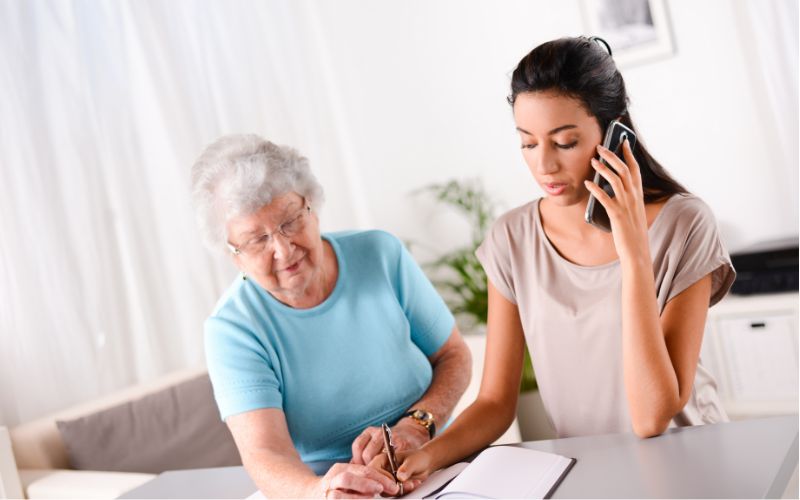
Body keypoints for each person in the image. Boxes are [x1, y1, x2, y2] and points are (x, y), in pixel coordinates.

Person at [372, 36, 736, 486]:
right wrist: (427, 457)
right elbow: (494, 403)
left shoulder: (685, 223)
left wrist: (634, 253)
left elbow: (652, 416)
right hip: (589, 474)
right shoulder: (512, 238)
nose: (543, 165)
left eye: (564, 142)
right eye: (528, 143)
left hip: (691, 468)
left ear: (614, 132)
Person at [190, 134, 471, 498]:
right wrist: (321, 491)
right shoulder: (232, 329)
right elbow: (264, 453)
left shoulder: (380, 254)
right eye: (256, 240)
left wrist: (418, 425)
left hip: (438, 466)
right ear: (234, 254)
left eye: (290, 221)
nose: (283, 249)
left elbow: (454, 355)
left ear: (312, 206)